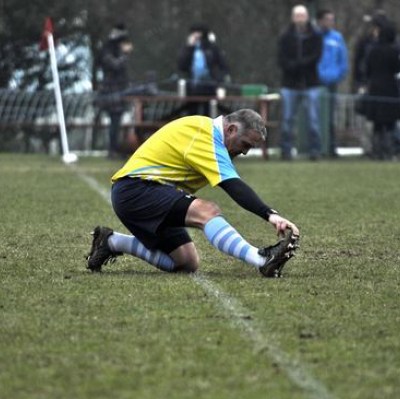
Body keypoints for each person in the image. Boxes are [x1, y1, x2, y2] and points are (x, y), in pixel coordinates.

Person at [86, 109, 300, 278]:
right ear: (231, 129)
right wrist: (270, 214)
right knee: (206, 211)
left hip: (145, 192)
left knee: (186, 263)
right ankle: (262, 259)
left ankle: (111, 242)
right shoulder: (205, 134)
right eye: (245, 144)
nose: (244, 152)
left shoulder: (211, 136)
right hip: (137, 189)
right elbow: (233, 185)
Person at [277, 5, 323, 161]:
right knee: (287, 119)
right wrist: (293, 66)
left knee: (313, 120)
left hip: (311, 83)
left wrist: (301, 64)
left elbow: (317, 56)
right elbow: (281, 59)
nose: (300, 19)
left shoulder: (316, 36)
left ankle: (315, 151)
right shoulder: (285, 37)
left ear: (307, 17)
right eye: (297, 15)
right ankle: (286, 150)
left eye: (302, 15)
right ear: (292, 18)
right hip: (290, 84)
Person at [363, 19, 400, 160]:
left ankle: (376, 150)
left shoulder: (373, 50)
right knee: (390, 123)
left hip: (375, 87)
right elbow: (396, 69)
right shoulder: (393, 51)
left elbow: (367, 69)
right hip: (390, 88)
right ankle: (388, 150)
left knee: (377, 124)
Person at [177, 24, 230, 116]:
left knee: (208, 114)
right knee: (192, 114)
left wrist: (220, 84)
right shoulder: (189, 48)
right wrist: (189, 47)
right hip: (193, 87)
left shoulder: (212, 48)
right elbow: (182, 66)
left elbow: (223, 67)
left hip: (209, 87)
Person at [317, 9, 348, 158]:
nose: (330, 22)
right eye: (327, 19)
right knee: (316, 116)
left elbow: (343, 60)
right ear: (320, 21)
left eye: (332, 19)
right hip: (316, 82)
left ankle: (331, 147)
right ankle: (317, 147)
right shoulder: (315, 37)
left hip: (332, 82)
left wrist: (338, 75)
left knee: (331, 116)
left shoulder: (337, 38)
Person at [98, 24, 133, 159]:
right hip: (112, 89)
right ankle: (112, 149)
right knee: (114, 120)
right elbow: (115, 65)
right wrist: (125, 54)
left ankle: (115, 148)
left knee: (117, 121)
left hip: (118, 89)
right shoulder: (107, 50)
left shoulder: (111, 49)